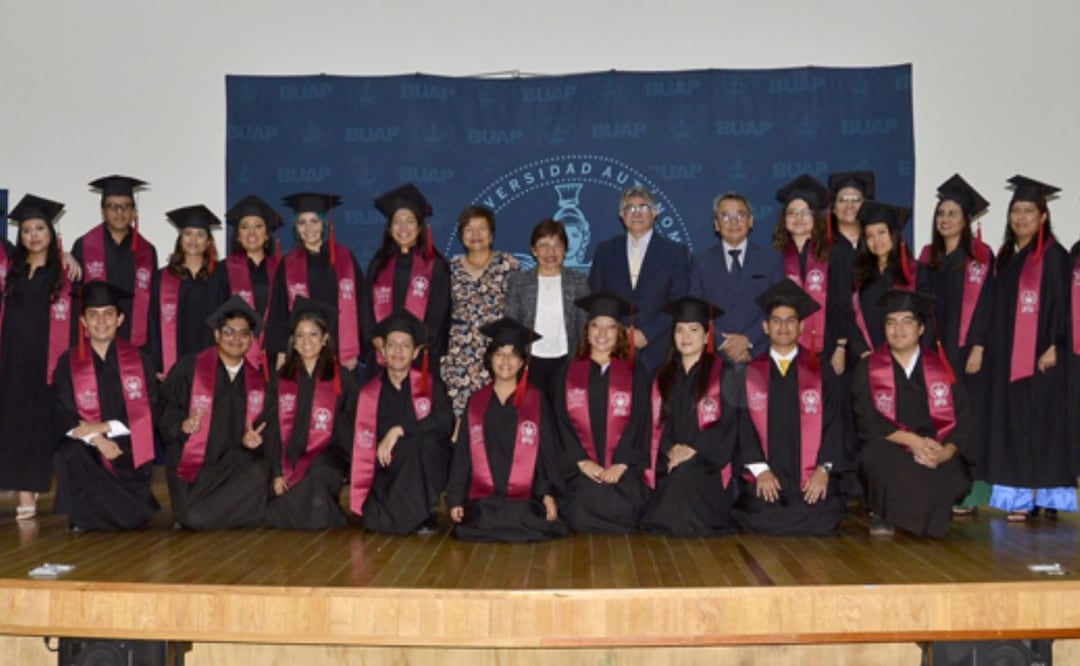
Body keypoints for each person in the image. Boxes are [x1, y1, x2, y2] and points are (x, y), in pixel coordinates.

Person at [984, 176, 1075, 521]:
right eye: (1015, 211)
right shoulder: (1007, 256)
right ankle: (1019, 492)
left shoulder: (1054, 257)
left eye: (1028, 210)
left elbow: (1065, 305)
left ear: (1043, 216)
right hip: (1010, 355)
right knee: (1015, 422)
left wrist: (1055, 343)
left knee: (1040, 423)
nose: (1020, 217)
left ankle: (1042, 493)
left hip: (1043, 357)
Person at [852, 290, 972, 537]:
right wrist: (912, 441)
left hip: (934, 445)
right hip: (890, 443)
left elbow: (963, 418)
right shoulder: (868, 367)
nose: (898, 329)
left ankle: (910, 512)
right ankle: (885, 512)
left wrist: (944, 453)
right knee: (878, 460)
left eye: (907, 321)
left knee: (950, 473)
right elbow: (865, 417)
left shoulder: (942, 367)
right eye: (891, 322)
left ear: (920, 329)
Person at [733, 279, 846, 536]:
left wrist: (822, 470)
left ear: (801, 326)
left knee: (824, 513)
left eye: (790, 321)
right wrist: (760, 471)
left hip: (810, 477)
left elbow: (835, 422)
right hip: (767, 477)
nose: (783, 327)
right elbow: (742, 428)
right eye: (776, 321)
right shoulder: (749, 373)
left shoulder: (821, 370)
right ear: (765, 327)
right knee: (760, 512)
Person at [446, 317, 567, 542]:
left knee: (520, 514)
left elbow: (547, 453)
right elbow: (463, 456)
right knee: (482, 517)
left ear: (523, 362)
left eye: (513, 354)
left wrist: (547, 493)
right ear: (490, 358)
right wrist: (455, 499)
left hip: (525, 496)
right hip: (484, 497)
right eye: (499, 353)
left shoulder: (537, 400)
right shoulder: (476, 402)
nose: (505, 360)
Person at [916, 174, 995, 515]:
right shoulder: (928, 256)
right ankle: (938, 486)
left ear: (966, 219)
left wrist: (978, 346)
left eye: (952, 213)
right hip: (934, 349)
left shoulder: (980, 257)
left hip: (965, 352)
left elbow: (987, 305)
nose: (945, 219)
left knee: (966, 417)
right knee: (936, 415)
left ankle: (969, 493)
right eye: (940, 214)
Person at [52, 282, 159, 531]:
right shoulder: (68, 362)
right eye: (93, 314)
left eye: (108, 314)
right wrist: (97, 438)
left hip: (127, 442)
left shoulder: (140, 360)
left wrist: (106, 428)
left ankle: (114, 512)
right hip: (89, 446)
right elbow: (62, 411)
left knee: (134, 453)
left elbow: (152, 409)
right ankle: (98, 515)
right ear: (83, 322)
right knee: (70, 452)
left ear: (120, 319)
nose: (101, 321)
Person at [160, 296, 271, 529]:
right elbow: (164, 408)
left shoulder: (258, 382)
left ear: (251, 340)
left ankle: (220, 513)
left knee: (261, 469)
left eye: (243, 333)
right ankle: (239, 513)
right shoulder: (189, 368)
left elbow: (264, 429)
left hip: (232, 466)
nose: (236, 339)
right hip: (193, 467)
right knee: (192, 517)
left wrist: (254, 441)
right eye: (229, 331)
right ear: (217, 335)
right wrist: (181, 425)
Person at [0, 195, 76, 519]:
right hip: (12, 361)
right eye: (27, 229)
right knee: (13, 426)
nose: (33, 235)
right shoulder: (10, 273)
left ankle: (33, 493)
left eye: (40, 228)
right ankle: (23, 493)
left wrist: (67, 254)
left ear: (51, 233)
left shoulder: (65, 277)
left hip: (45, 363)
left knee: (37, 428)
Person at [638, 296, 738, 536]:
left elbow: (729, 425)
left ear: (706, 336)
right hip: (669, 458)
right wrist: (671, 449)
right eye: (679, 330)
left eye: (694, 330)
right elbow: (653, 424)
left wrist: (694, 449)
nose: (686, 336)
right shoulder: (661, 375)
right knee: (675, 473)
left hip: (708, 462)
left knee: (685, 474)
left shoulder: (724, 374)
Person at [553, 292, 650, 534]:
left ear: (620, 333)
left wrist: (621, 463)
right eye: (596, 326)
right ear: (586, 331)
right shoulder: (568, 371)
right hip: (580, 468)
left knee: (622, 507)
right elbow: (560, 423)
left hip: (622, 468)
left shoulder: (635, 372)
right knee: (582, 505)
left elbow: (641, 421)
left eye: (610, 327)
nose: (602, 334)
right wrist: (582, 461)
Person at [349, 309, 453, 534]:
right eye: (392, 344)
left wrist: (400, 430)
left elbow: (445, 423)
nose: (398, 351)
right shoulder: (368, 392)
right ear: (382, 351)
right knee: (374, 520)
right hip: (388, 466)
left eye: (405, 345)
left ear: (415, 352)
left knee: (422, 444)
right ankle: (417, 514)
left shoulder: (432, 385)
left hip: (426, 465)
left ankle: (423, 511)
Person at [264, 297, 354, 530]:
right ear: (293, 342)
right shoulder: (281, 379)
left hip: (329, 457)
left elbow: (352, 427)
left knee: (317, 472)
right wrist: (276, 471)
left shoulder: (341, 378)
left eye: (313, 334)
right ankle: (321, 513)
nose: (306, 341)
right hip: (289, 458)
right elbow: (273, 428)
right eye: (300, 335)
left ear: (325, 339)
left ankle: (284, 511)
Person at [589, 184, 690, 374]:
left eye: (643, 207)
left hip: (658, 349)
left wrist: (647, 334)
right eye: (630, 208)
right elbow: (597, 298)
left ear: (654, 213)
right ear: (621, 214)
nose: (636, 213)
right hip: (613, 346)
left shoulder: (674, 252)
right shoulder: (605, 251)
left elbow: (679, 301)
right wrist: (618, 334)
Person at [265, 192, 363, 373]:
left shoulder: (345, 258)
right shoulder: (288, 263)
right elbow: (278, 310)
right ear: (296, 227)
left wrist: (354, 350)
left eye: (314, 221)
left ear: (325, 224)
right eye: (302, 222)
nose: (308, 228)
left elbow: (363, 304)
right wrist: (281, 352)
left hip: (341, 349)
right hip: (303, 350)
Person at [362, 183, 450, 379]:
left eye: (409, 221)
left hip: (421, 355)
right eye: (397, 222)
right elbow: (366, 309)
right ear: (390, 228)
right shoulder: (379, 264)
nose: (403, 228)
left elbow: (439, 315)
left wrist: (415, 346)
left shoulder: (436, 266)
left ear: (420, 227)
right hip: (382, 356)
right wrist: (378, 342)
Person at [688, 191, 783, 364]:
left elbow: (776, 309)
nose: (733, 221)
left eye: (740, 215)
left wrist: (748, 340)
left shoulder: (771, 260)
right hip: (715, 357)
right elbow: (696, 309)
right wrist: (724, 343)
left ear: (751, 221)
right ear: (716, 224)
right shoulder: (701, 262)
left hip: (761, 354)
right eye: (725, 216)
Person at [441, 205, 519, 415]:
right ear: (461, 235)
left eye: (481, 228)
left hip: (497, 353)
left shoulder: (508, 264)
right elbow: (439, 312)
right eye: (469, 229)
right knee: (459, 415)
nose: (475, 235)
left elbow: (518, 311)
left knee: (495, 413)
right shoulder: (449, 267)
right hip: (458, 353)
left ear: (491, 234)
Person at [505, 219, 590, 394]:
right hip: (530, 360)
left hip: (566, 360)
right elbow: (512, 322)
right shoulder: (519, 281)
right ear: (533, 250)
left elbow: (584, 327)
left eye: (557, 245)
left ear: (565, 249)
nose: (550, 252)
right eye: (543, 245)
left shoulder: (578, 282)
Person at [72, 175, 158, 346]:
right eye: (113, 207)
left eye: (126, 206)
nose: (120, 212)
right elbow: (76, 300)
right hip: (94, 343)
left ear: (134, 211)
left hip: (136, 345)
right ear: (102, 210)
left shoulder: (147, 251)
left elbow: (153, 308)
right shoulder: (84, 245)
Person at [147, 205, 228, 378]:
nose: (193, 240)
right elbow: (152, 323)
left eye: (200, 235)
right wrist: (155, 365)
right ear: (180, 239)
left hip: (211, 362)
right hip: (172, 365)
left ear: (208, 242)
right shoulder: (162, 278)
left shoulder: (220, 278)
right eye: (188, 233)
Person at [214, 195, 284, 370]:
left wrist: (284, 351)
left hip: (275, 355)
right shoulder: (223, 269)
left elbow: (286, 314)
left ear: (267, 234)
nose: (252, 233)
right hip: (234, 353)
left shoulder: (282, 269)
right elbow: (217, 316)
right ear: (238, 236)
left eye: (258, 226)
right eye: (245, 227)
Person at [848, 201, 918, 359]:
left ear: (893, 234)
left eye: (881, 232)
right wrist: (862, 350)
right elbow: (849, 317)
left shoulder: (915, 272)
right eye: (869, 236)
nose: (876, 240)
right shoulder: (859, 275)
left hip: (906, 357)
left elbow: (924, 320)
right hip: (867, 357)